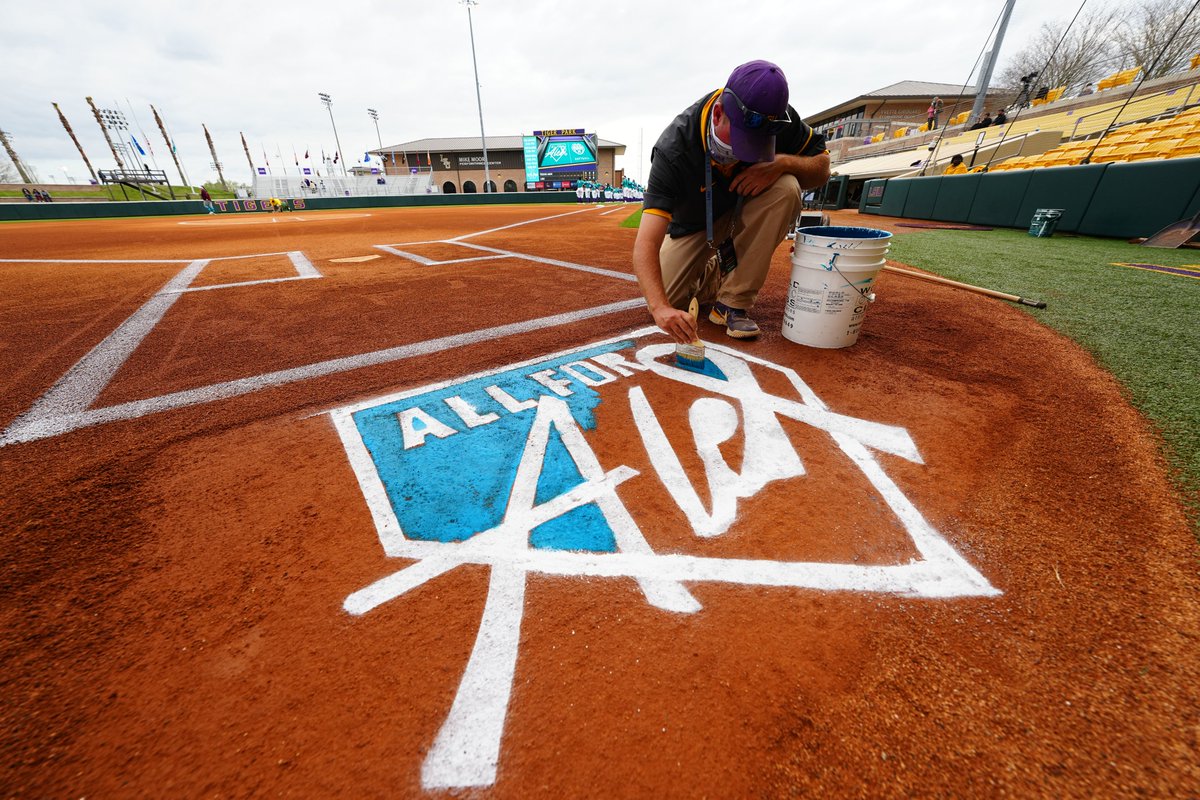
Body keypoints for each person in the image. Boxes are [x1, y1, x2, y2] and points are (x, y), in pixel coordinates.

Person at [633, 60, 830, 341]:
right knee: (666, 294)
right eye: (739, 139)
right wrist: (660, 306)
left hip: (750, 207)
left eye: (756, 144)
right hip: (696, 225)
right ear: (717, 114)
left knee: (787, 187)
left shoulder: (778, 118)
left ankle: (733, 304)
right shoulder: (674, 148)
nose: (743, 154)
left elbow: (822, 169)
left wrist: (782, 163)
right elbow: (646, 243)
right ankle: (713, 271)